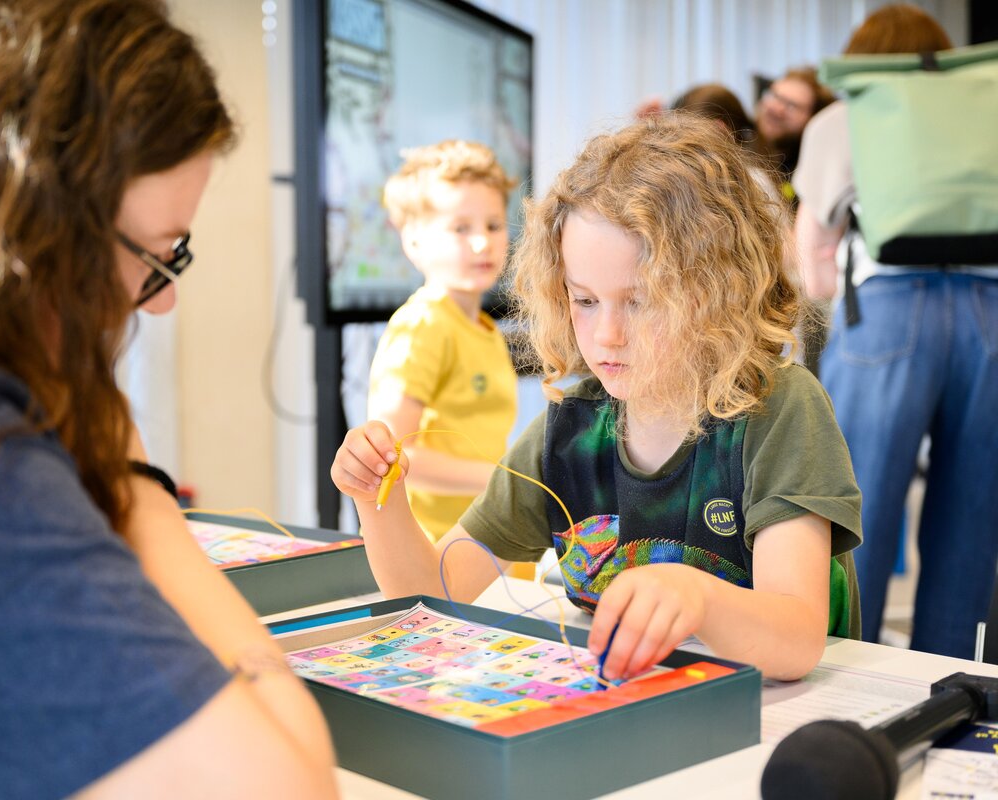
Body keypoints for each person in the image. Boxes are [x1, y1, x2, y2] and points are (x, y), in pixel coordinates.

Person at [0, 2, 337, 798]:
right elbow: (286, 784)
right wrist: (134, 485)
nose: (156, 303)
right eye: (156, 257)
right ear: (35, 222)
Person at [333, 115, 862, 682]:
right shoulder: (568, 432)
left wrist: (696, 596)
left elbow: (798, 639)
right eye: (584, 301)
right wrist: (377, 499)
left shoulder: (779, 410)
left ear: (717, 294)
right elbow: (432, 591)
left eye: (640, 302)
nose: (607, 335)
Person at [792, 3, 998, 659]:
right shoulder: (986, 105)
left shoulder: (843, 114)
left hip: (886, 310)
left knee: (856, 507)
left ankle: (844, 680)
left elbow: (815, 273)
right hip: (991, 312)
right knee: (971, 518)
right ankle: (948, 696)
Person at [369, 140, 519, 543]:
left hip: (488, 538)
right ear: (413, 240)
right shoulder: (422, 326)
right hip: (438, 550)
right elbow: (391, 457)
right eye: (460, 227)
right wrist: (503, 480)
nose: (481, 243)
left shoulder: (484, 329)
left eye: (493, 225)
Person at [754, 66, 835, 190]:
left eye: (791, 106)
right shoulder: (739, 142)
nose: (775, 109)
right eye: (775, 96)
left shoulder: (816, 176)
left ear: (814, 118)